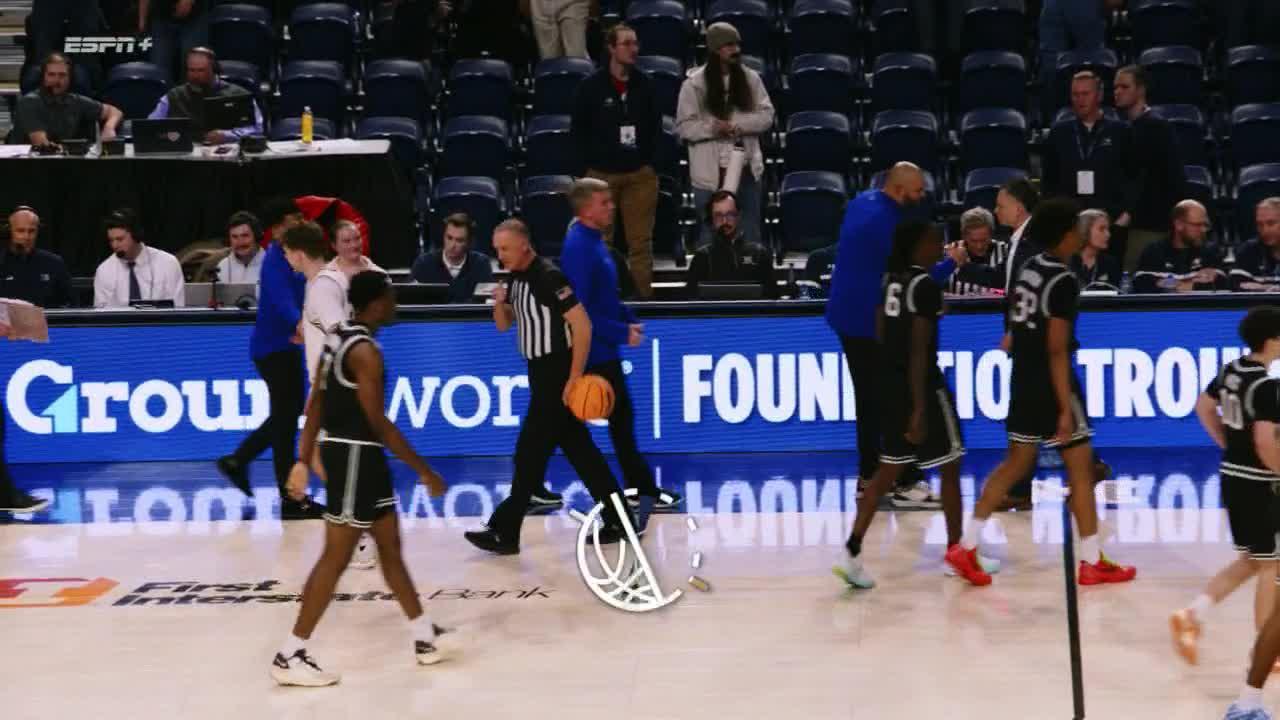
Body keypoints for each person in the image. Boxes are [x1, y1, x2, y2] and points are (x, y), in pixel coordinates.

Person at [272, 270, 451, 687]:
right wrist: (424, 470)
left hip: (361, 458)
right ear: (375, 304)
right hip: (354, 456)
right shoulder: (366, 352)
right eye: (390, 296)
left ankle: (424, 636)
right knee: (335, 559)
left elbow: (315, 403)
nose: (395, 303)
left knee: (390, 548)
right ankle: (289, 653)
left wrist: (303, 458)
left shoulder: (338, 338)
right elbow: (378, 423)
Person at [946, 197, 1137, 587]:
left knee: (1015, 464)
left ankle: (966, 546)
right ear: (1066, 235)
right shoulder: (1063, 280)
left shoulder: (1030, 267)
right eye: (1076, 229)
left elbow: (1018, 324)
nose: (1080, 234)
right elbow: (1056, 348)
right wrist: (1065, 407)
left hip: (1023, 377)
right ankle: (1091, 560)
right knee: (1081, 469)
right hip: (1052, 380)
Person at [833, 221, 993, 589]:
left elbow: (879, 331)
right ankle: (956, 553)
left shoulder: (889, 281)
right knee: (951, 464)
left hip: (890, 385)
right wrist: (919, 407)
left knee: (885, 473)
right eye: (935, 242)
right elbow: (920, 351)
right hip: (923, 389)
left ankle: (851, 551)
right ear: (918, 245)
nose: (940, 248)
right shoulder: (924, 286)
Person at [463, 219, 633, 554]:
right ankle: (620, 520)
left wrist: (573, 377)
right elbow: (504, 325)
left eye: (505, 248)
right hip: (538, 372)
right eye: (497, 249)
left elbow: (582, 327)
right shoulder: (515, 279)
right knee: (582, 454)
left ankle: (505, 530)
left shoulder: (548, 277)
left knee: (529, 453)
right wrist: (499, 302)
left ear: (524, 245)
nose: (500, 255)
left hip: (557, 372)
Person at [824, 162, 962, 505]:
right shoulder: (887, 222)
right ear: (899, 190)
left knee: (869, 400)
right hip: (871, 322)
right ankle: (905, 481)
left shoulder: (862, 202)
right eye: (917, 191)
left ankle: (869, 476)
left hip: (847, 317)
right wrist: (952, 262)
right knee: (896, 399)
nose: (922, 196)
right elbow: (913, 279)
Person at [1170, 307, 1280, 677]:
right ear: (1272, 340)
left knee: (1253, 559)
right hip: (1258, 482)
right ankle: (1267, 650)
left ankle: (1192, 615)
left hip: (1232, 474)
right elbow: (1265, 442)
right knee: (1271, 565)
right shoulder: (1267, 387)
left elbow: (1204, 407)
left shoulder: (1232, 370)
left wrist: (1227, 444)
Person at [560, 177, 682, 511]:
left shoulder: (595, 241)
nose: (612, 207)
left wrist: (627, 319)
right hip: (592, 352)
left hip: (603, 347)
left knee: (618, 420)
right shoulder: (578, 247)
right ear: (587, 209)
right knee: (612, 420)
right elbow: (580, 311)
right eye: (604, 202)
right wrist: (620, 332)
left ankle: (639, 488)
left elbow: (606, 297)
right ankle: (640, 490)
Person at [217, 198, 324, 520]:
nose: (298, 223)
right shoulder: (276, 257)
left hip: (287, 346)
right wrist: (300, 324)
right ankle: (289, 498)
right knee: (286, 421)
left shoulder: (293, 252)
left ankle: (239, 461)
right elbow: (281, 300)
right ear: (277, 227)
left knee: (285, 417)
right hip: (273, 348)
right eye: (292, 219)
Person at [290, 220, 384, 568]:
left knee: (321, 456)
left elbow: (341, 336)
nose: (286, 259)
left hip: (335, 384)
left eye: (287, 253)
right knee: (323, 456)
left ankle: (362, 531)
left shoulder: (322, 287)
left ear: (298, 254)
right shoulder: (323, 283)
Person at [571, 23, 661, 297]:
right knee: (600, 243)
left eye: (636, 43)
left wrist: (648, 163)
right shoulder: (590, 87)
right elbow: (578, 132)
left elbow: (656, 129)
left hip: (639, 175)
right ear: (611, 48)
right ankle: (602, 300)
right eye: (627, 43)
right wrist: (587, 171)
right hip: (601, 176)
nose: (634, 49)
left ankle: (643, 302)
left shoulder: (646, 85)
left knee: (641, 244)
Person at [675, 21, 775, 246]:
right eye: (729, 45)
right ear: (714, 50)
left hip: (746, 171)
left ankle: (750, 270)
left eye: (737, 45)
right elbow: (684, 127)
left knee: (750, 234)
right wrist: (713, 128)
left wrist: (737, 125)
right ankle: (708, 270)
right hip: (709, 175)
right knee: (709, 236)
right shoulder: (693, 86)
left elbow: (767, 116)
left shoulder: (751, 79)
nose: (735, 50)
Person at [1113, 64, 1185, 272]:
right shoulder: (1126, 128)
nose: (1117, 92)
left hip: (1150, 226)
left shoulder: (1157, 127)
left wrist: (1130, 213)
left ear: (1141, 90)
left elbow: (1162, 178)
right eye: (1115, 87)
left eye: (1124, 87)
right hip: (1131, 224)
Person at [148, 47, 264, 144]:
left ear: (214, 70)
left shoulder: (240, 95)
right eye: (191, 70)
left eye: (201, 70)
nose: (195, 76)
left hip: (227, 154)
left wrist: (228, 135)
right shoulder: (173, 96)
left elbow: (257, 128)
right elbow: (150, 126)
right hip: (187, 155)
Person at [9, 53, 121, 146]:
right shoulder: (29, 102)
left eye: (62, 75)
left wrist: (109, 128)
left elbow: (114, 112)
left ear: (70, 78)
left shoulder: (75, 100)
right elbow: (42, 144)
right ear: (43, 77)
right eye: (51, 75)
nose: (56, 80)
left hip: (61, 160)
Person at [685, 190, 777, 299]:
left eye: (730, 214)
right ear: (711, 220)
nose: (724, 221)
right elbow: (691, 299)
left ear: (738, 216)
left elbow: (773, 297)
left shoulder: (759, 254)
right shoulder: (702, 257)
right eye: (718, 216)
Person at [92, 208, 185, 308]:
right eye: (111, 240)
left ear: (136, 236)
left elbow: (177, 309)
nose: (115, 245)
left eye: (120, 239)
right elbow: (101, 313)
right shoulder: (104, 271)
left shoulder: (168, 264)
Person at [1133, 199, 1226, 293]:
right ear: (1179, 225)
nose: (1203, 230)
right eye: (1197, 225)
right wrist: (1189, 285)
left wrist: (1173, 285)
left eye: (1205, 225)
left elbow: (1223, 284)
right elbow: (1141, 284)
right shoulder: (1154, 251)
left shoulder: (1210, 251)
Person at [410, 213, 493, 303]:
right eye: (449, 238)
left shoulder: (481, 264)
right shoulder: (423, 264)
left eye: (459, 240)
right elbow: (410, 299)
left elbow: (484, 302)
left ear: (469, 242)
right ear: (443, 236)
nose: (452, 245)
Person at [0, 206, 72, 308]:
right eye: (20, 231)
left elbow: (70, 304)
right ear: (9, 231)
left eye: (31, 231)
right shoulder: (2, 262)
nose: (26, 236)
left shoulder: (54, 263)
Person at [946, 206, 1007, 296]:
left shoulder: (1006, 252)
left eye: (984, 240)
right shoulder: (948, 253)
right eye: (973, 241)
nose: (979, 246)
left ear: (991, 234)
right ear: (963, 236)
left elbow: (1009, 290)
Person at [1230, 198, 1280, 292]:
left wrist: (1263, 287)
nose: (1265, 230)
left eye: (1271, 223)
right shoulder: (1248, 250)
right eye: (1260, 224)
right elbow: (1236, 285)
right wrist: (1272, 288)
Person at [1070, 208, 1122, 289]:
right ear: (1084, 230)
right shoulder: (1068, 262)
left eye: (1108, 229)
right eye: (1101, 229)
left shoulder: (1110, 263)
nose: (1108, 234)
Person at [213, 211, 264, 288]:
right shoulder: (222, 267)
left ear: (256, 236)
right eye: (235, 237)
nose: (240, 242)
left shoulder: (272, 264)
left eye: (245, 235)